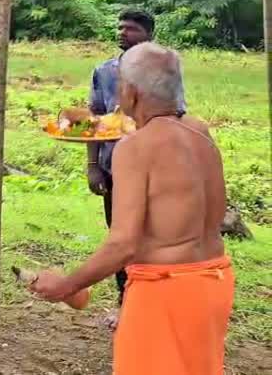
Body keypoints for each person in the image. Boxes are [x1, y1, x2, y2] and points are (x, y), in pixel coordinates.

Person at [32, 43, 233, 375]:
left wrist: (67, 285)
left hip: (164, 291)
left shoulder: (134, 148)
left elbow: (122, 244)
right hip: (214, 281)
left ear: (131, 92)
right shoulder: (200, 132)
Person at [85, 9, 185, 325]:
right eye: (120, 28)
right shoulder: (104, 71)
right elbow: (94, 121)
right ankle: (125, 301)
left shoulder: (165, 71)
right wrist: (92, 165)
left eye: (131, 29)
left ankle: (156, 302)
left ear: (149, 36)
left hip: (156, 168)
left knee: (154, 236)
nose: (123, 33)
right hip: (114, 167)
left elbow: (177, 113)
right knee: (120, 234)